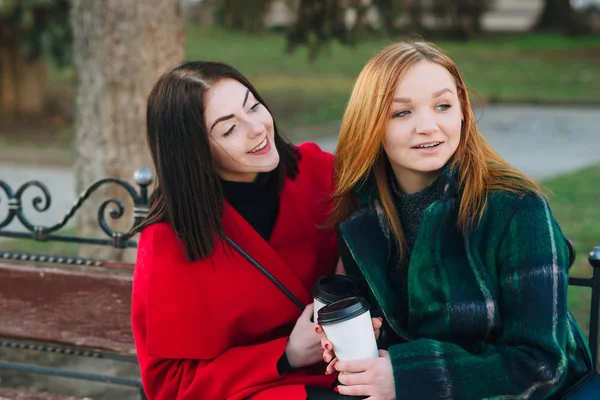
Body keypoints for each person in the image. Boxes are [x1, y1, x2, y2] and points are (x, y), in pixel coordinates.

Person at [321, 41, 591, 399]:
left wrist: (406, 377)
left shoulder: (517, 209)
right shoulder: (362, 219)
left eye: (443, 106)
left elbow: (540, 366)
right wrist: (361, 337)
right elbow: (399, 334)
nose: (428, 126)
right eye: (402, 113)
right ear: (370, 124)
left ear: (463, 111)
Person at [130, 61, 344, 399]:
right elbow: (169, 384)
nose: (258, 128)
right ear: (196, 152)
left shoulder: (319, 173)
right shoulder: (170, 238)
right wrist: (285, 355)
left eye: (254, 106)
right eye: (229, 129)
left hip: (352, 376)